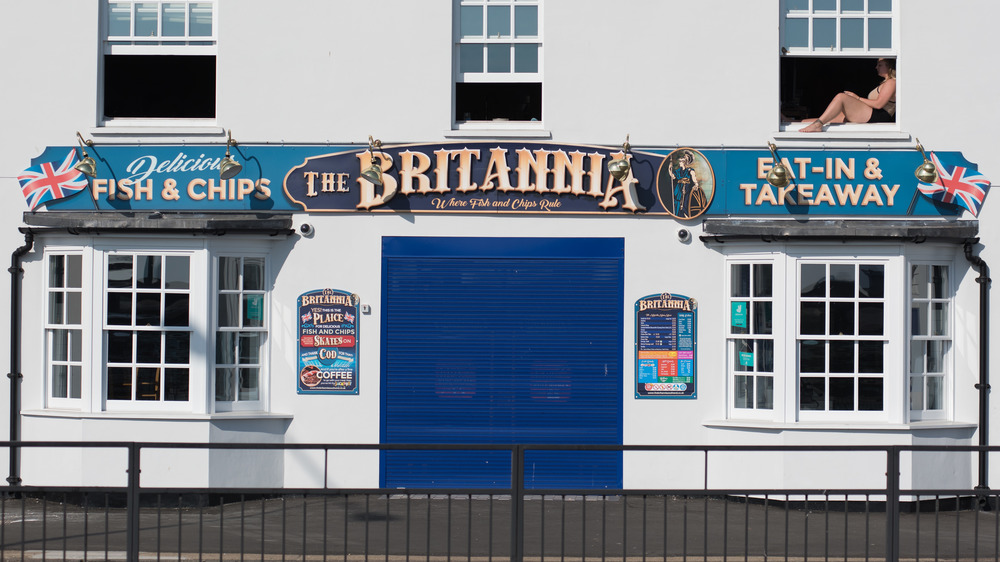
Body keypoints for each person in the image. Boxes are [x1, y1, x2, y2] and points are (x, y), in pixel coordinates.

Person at [800, 58, 896, 133]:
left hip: (879, 116)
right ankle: (799, 122)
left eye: (880, 65)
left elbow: (879, 104)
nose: (876, 67)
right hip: (873, 114)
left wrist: (857, 98)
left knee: (841, 97)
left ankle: (818, 125)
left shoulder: (891, 82)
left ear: (889, 67)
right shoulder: (886, 83)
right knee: (834, 116)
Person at [668, 150, 699, 217]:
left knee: (685, 203)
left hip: (687, 190)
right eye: (679, 162)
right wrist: (670, 170)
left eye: (681, 162)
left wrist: (696, 184)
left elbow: (694, 180)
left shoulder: (690, 170)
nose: (679, 163)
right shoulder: (678, 171)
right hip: (678, 189)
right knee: (677, 203)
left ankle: (686, 215)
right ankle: (678, 215)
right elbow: (673, 177)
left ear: (684, 163)